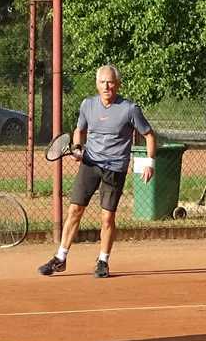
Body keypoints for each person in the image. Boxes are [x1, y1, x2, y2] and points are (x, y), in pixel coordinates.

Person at [38, 64, 156, 278]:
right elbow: (79, 130)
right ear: (97, 84)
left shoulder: (130, 109)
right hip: (90, 165)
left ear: (117, 84)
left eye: (110, 82)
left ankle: (103, 261)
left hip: (115, 169)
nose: (106, 86)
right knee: (75, 210)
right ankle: (60, 258)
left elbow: (149, 135)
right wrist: (77, 148)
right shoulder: (87, 105)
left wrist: (149, 162)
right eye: (102, 82)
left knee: (107, 217)